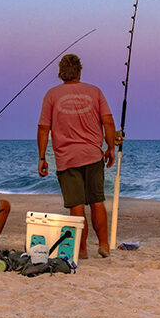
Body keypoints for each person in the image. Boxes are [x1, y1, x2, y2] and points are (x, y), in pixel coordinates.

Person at [37, 53, 117, 259]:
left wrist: (42, 157)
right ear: (79, 71)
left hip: (67, 158)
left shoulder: (51, 94)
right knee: (97, 201)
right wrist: (110, 147)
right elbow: (108, 121)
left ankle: (82, 250)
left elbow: (44, 128)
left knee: (77, 205)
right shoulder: (94, 91)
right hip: (92, 154)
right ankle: (104, 244)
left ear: (61, 72)